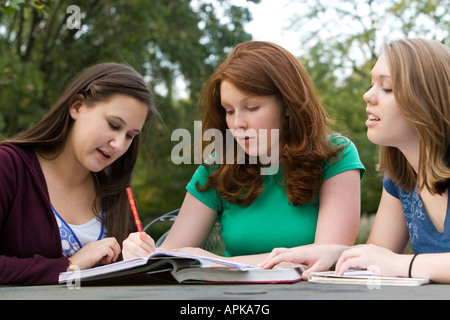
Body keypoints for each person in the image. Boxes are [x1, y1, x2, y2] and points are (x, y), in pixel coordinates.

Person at [123, 41, 365, 265]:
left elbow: (325, 259)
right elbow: (172, 255)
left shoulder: (336, 156)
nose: (237, 123)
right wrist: (143, 253)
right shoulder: (217, 166)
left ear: (288, 105)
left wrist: (216, 263)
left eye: (251, 107)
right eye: (229, 111)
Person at [260, 38, 450, 283]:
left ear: (430, 100)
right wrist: (336, 253)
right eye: (372, 84)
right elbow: (380, 253)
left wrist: (402, 263)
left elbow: (391, 261)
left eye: (387, 87)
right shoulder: (401, 177)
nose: (367, 96)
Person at [0, 62, 158, 285]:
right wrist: (69, 266)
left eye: (130, 135)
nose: (119, 145)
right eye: (113, 125)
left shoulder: (116, 192)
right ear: (77, 107)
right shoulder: (9, 167)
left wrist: (140, 261)